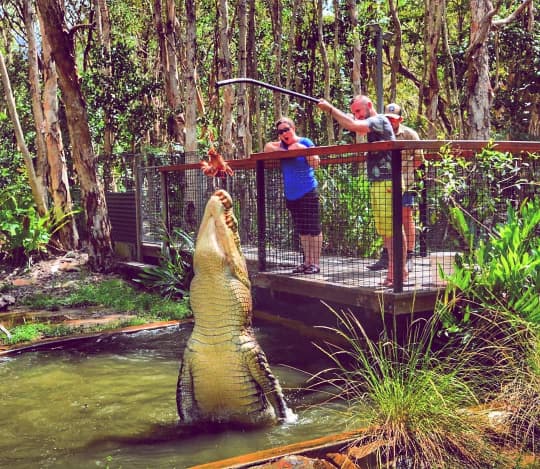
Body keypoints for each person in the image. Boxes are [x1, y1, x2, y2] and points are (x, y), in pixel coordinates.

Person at [317, 95, 407, 287]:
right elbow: (353, 125)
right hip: (378, 182)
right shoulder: (373, 123)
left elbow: (352, 125)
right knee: (385, 229)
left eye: (358, 111)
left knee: (393, 228)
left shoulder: (379, 120)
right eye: (354, 112)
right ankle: (396, 271)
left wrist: (330, 109)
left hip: (389, 181)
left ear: (369, 106)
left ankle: (398, 272)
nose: (356, 115)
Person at [264, 117, 323, 275]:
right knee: (303, 230)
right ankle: (307, 262)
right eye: (280, 131)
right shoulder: (280, 146)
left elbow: (316, 163)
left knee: (313, 229)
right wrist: (287, 151)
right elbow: (267, 147)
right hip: (292, 195)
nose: (284, 133)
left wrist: (300, 150)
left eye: (286, 129)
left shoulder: (305, 141)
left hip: (308, 191)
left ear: (293, 128)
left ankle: (315, 263)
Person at [384, 103, 423, 272]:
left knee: (406, 217)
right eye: (387, 118)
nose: (390, 122)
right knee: (387, 219)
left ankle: (410, 255)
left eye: (393, 119)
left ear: (400, 119)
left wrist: (404, 174)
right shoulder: (381, 134)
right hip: (385, 185)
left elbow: (418, 159)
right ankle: (387, 256)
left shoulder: (410, 134)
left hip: (406, 183)